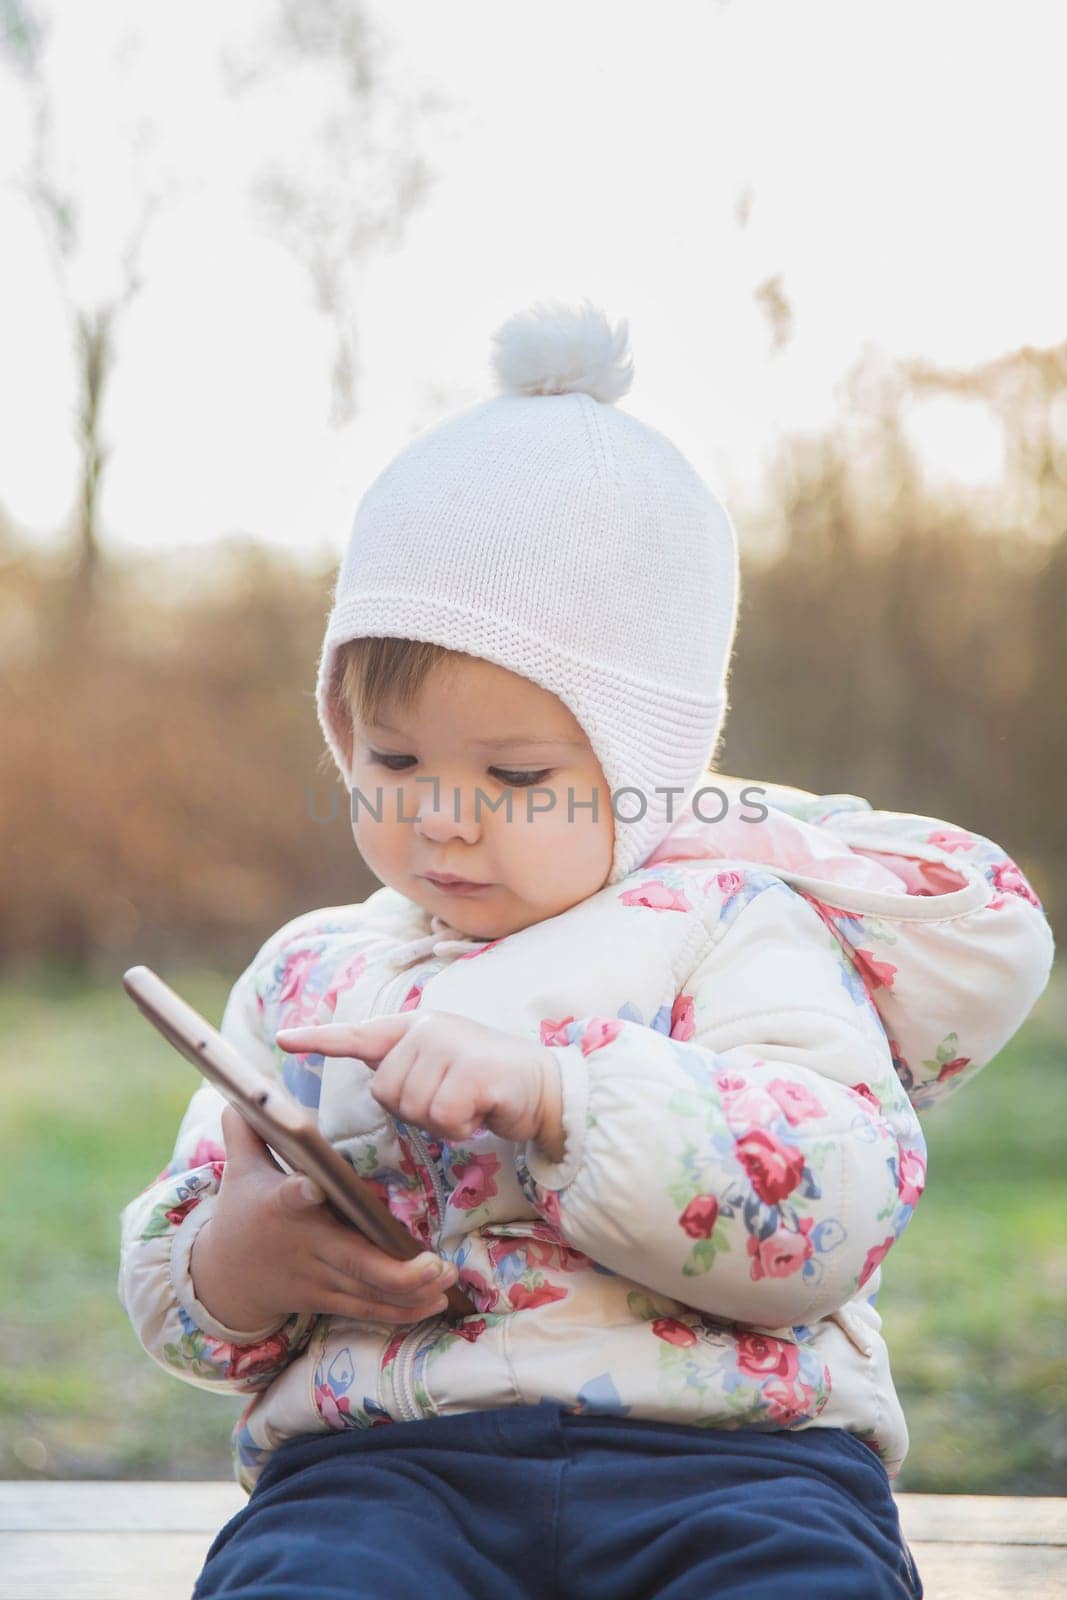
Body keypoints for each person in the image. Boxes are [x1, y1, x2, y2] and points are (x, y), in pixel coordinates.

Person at [117, 300, 1054, 1599]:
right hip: (385, 1471)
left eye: (514, 772)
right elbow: (178, 1263)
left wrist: (567, 1097)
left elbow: (840, 1197)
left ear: (646, 767)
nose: (438, 811)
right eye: (390, 757)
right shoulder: (311, 973)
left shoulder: (738, 927)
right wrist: (236, 1260)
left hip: (738, 1462)